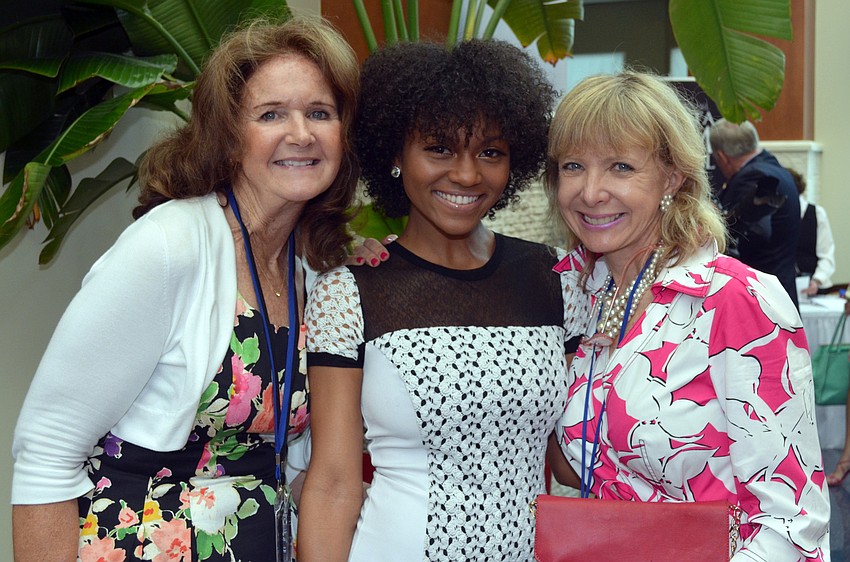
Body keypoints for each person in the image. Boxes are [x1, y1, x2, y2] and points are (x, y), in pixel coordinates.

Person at [11, 16, 359, 562]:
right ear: (228, 135)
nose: (301, 133)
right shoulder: (168, 245)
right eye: (271, 115)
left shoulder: (312, 269)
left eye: (320, 113)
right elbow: (46, 453)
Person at [297, 40, 587, 561]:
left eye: (490, 153)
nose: (468, 174)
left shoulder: (555, 277)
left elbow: (572, 459)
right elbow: (335, 481)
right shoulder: (351, 291)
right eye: (439, 148)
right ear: (393, 152)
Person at [547, 72, 830, 560]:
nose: (591, 192)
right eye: (574, 166)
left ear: (673, 177)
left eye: (620, 167)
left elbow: (793, 521)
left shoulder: (736, 301)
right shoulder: (580, 294)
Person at [709, 118, 801, 307]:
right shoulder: (776, 168)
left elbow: (756, 233)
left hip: (760, 298)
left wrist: (717, 222)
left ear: (722, 157)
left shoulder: (752, 176)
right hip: (779, 291)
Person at [789, 168, 835, 297]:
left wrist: (817, 280)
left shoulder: (817, 214)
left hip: (814, 288)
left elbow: (827, 254)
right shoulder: (776, 216)